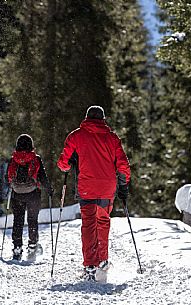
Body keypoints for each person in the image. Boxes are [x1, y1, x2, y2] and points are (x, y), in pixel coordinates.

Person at [57, 105, 130, 279]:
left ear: (87, 117)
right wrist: (124, 184)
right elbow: (123, 164)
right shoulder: (112, 138)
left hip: (87, 187)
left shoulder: (76, 136)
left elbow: (63, 164)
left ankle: (90, 264)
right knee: (103, 222)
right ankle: (103, 260)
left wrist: (73, 161)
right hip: (107, 187)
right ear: (103, 119)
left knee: (88, 225)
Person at [7, 134, 53, 260]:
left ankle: (17, 248)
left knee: (18, 221)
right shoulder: (35, 158)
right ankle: (32, 245)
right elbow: (42, 176)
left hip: (17, 194)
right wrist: (49, 189)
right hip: (33, 193)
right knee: (32, 220)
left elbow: (9, 177)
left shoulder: (13, 159)